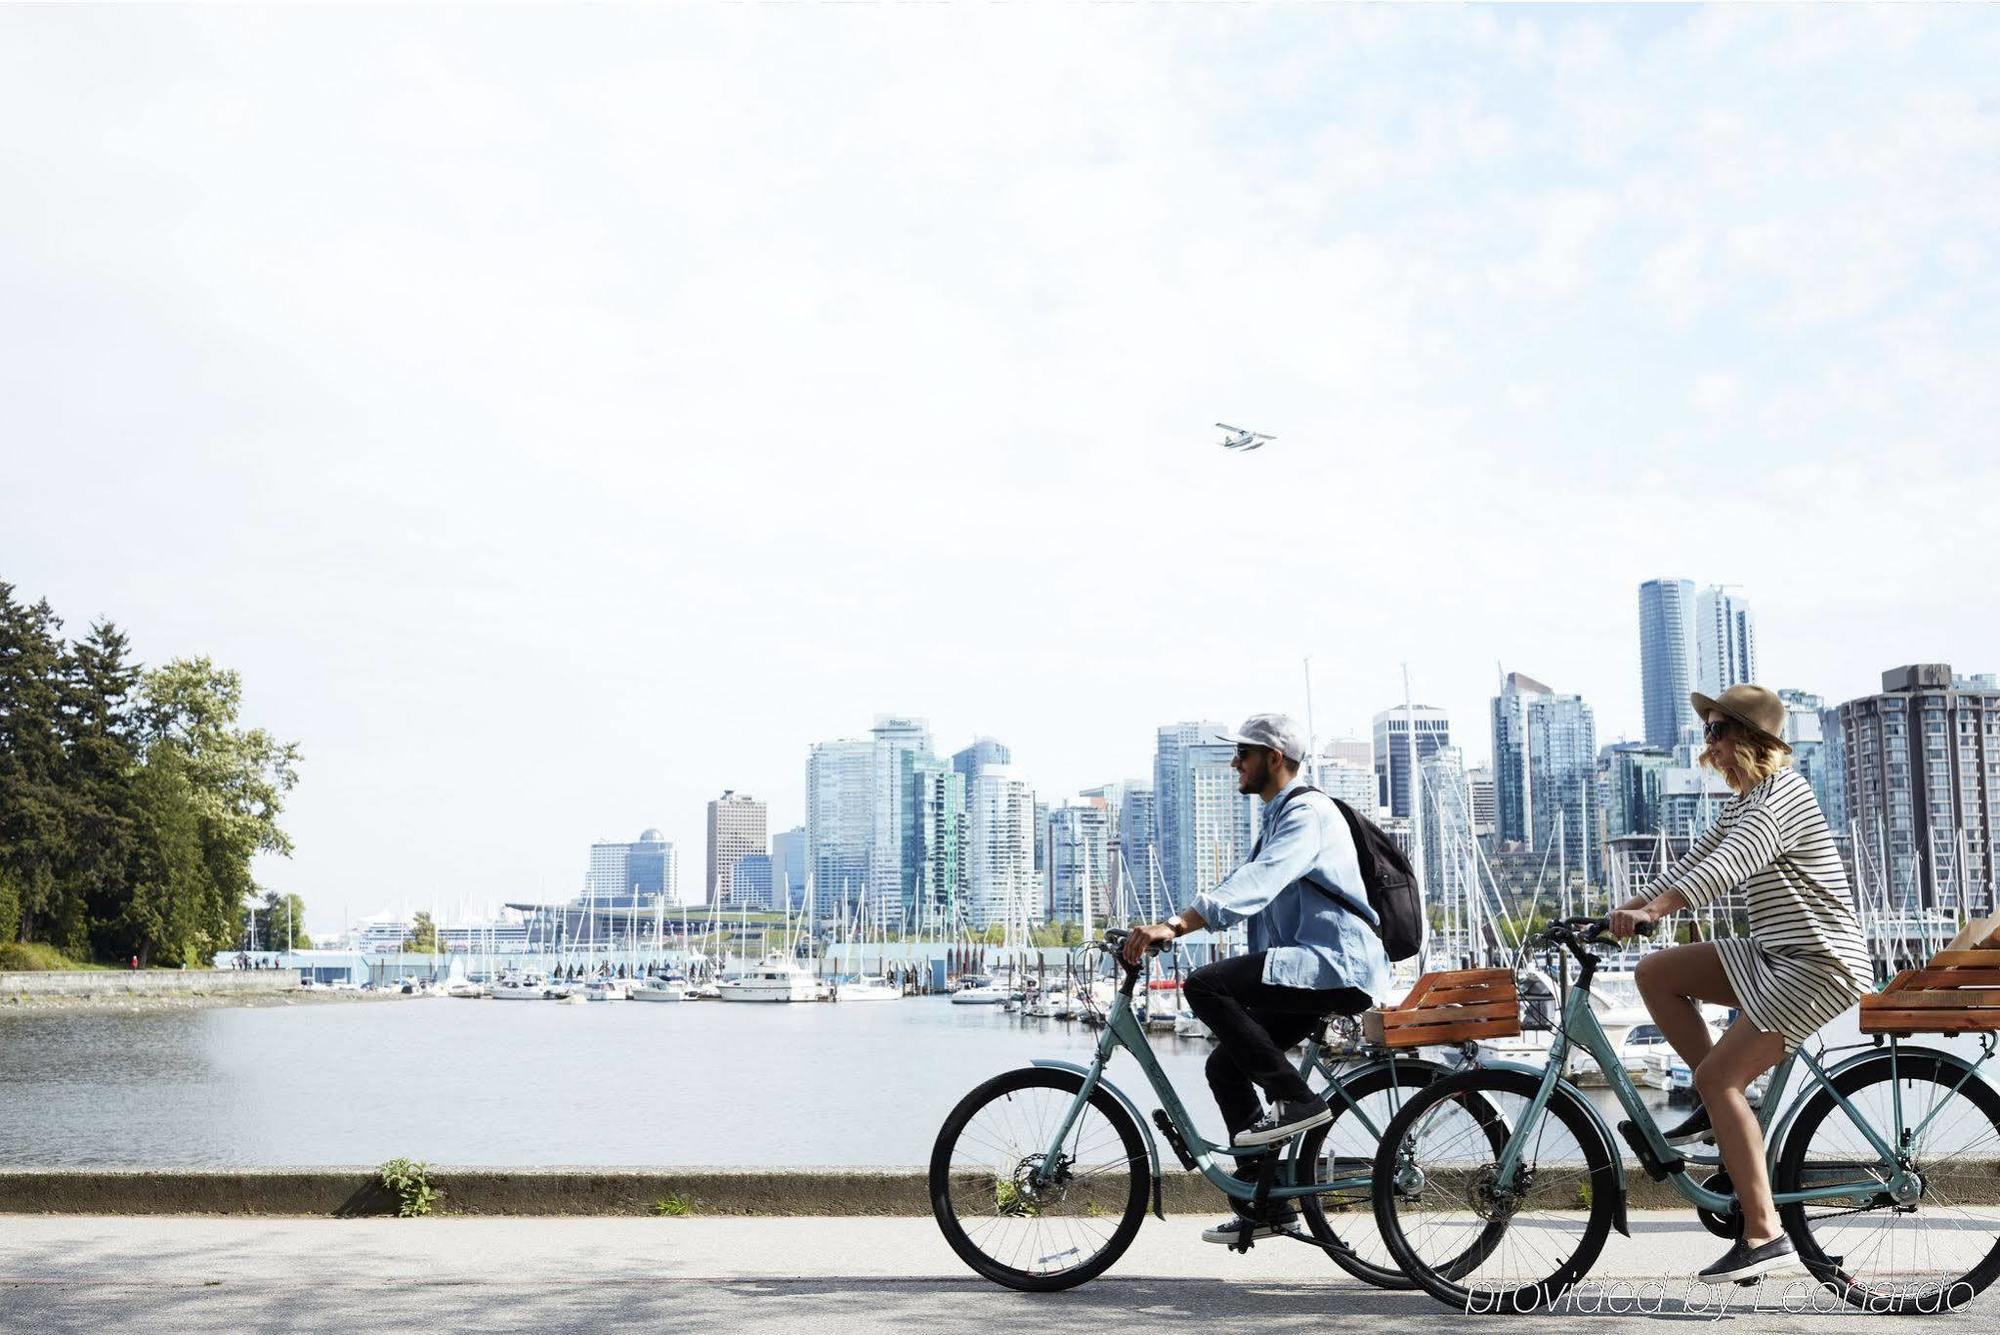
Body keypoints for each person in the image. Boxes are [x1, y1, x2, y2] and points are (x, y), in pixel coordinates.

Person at [1605, 683, 1871, 1284]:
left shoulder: (1782, 799)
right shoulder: (1744, 803)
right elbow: (1693, 861)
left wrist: (1659, 911)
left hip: (1817, 963)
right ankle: (1716, 1101)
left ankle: (1763, 1230)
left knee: (1719, 1074)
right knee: (1656, 972)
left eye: (1719, 732)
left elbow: (1728, 868)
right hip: (1773, 954)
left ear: (1753, 739)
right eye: (1708, 734)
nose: (1711, 746)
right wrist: (1622, 910)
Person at [1122, 713, 1391, 1246]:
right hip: (1309, 966)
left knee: (1203, 986)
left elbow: (1257, 885)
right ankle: (1265, 1203)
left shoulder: (1307, 813)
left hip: (1335, 964)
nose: (1234, 763)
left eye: (1243, 753)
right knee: (1225, 1064)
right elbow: (1246, 897)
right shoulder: (1278, 816)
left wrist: (1175, 926)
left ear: (1274, 757)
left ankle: (1299, 1101)